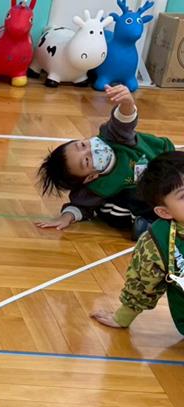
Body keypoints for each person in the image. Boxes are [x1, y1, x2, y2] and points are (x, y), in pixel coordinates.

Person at [36, 85, 174, 240]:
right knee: (113, 208)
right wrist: (66, 217)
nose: (90, 150)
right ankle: (150, 225)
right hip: (154, 197)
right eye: (86, 160)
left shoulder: (113, 136)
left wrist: (126, 102)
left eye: (82, 145)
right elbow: (81, 206)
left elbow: (123, 122)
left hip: (168, 163)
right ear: (90, 177)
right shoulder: (96, 188)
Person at [91, 151, 184, 334]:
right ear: (165, 212)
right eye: (183, 196)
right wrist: (122, 317)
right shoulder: (158, 242)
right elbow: (142, 285)